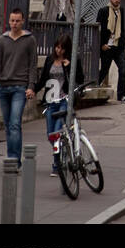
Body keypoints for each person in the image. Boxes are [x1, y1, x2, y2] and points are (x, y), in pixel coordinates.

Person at [0, 8, 37, 167]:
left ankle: (14, 160)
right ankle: (13, 157)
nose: (14, 24)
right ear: (8, 21)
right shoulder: (2, 40)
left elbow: (32, 65)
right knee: (9, 125)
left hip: (20, 87)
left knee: (15, 123)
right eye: (12, 21)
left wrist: (31, 86)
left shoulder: (29, 40)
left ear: (22, 21)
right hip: (3, 87)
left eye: (17, 21)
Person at [37, 33, 84, 176]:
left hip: (65, 100)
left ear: (67, 49)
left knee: (58, 133)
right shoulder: (50, 60)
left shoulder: (73, 60)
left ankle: (57, 165)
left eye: (62, 49)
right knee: (51, 135)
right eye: (57, 47)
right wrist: (33, 89)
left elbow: (80, 79)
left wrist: (70, 67)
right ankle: (64, 152)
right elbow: (44, 78)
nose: (59, 51)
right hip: (51, 102)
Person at [96, 0, 125, 103]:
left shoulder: (121, 11)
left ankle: (122, 96)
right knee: (104, 70)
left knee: (122, 70)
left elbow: (122, 27)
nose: (116, 0)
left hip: (118, 46)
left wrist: (123, 41)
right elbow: (98, 29)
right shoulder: (103, 11)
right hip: (107, 47)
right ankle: (93, 87)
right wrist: (102, 44)